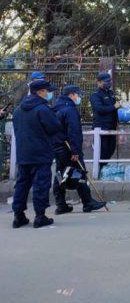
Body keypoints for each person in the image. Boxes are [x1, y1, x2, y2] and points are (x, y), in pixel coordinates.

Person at [11, 80, 60, 228]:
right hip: (41, 153)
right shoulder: (43, 109)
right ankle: (40, 216)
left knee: (21, 184)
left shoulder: (18, 110)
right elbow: (54, 127)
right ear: (40, 92)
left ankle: (18, 216)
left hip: (23, 154)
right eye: (47, 91)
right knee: (41, 184)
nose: (49, 94)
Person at [52, 85, 106, 214]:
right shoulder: (69, 110)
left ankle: (61, 204)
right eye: (78, 94)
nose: (79, 97)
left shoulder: (55, 109)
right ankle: (87, 202)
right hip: (69, 148)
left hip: (57, 147)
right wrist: (75, 151)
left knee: (60, 174)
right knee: (79, 173)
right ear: (71, 95)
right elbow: (74, 132)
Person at [90, 72, 120, 170]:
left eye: (109, 81)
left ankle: (103, 166)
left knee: (111, 148)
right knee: (102, 150)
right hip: (101, 126)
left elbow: (114, 108)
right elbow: (99, 109)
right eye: (106, 81)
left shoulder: (111, 93)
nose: (109, 83)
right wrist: (114, 107)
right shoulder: (95, 95)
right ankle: (99, 169)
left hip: (112, 126)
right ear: (99, 82)